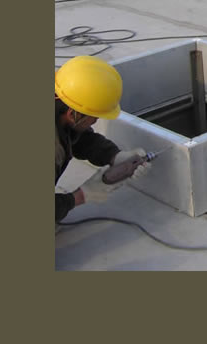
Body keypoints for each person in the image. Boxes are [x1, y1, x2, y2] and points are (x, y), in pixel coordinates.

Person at [55, 56, 149, 222]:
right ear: (73, 114)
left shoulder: (61, 99)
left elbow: (81, 138)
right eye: (94, 116)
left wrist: (114, 156)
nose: (96, 121)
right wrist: (81, 196)